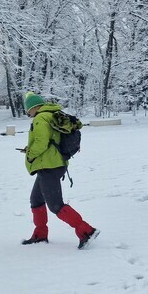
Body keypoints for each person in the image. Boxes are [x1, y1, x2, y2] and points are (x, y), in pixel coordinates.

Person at [20, 91, 98, 249]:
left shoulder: (40, 118)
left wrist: (30, 155)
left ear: (33, 107)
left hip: (49, 166)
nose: (28, 114)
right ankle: (40, 234)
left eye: (28, 110)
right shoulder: (52, 115)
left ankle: (86, 231)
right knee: (36, 200)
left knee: (56, 205)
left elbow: (41, 143)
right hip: (54, 164)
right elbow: (51, 140)